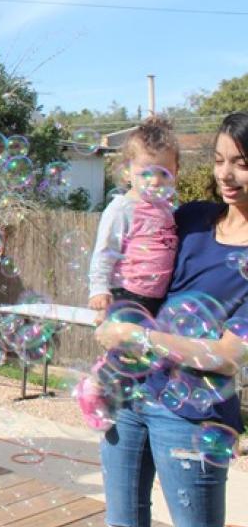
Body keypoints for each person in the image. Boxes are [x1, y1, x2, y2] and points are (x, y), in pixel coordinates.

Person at [95, 112, 248, 527]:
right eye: (219, 160)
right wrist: (109, 302)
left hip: (192, 412)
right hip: (129, 389)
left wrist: (134, 334)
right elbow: (137, 265)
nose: (227, 175)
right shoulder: (193, 217)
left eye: (242, 163)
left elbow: (226, 356)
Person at [79, 117, 181, 429]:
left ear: (175, 173)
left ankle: (123, 396)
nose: (154, 181)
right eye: (145, 173)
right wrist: (99, 289)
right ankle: (94, 386)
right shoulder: (122, 208)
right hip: (128, 292)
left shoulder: (168, 210)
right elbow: (105, 250)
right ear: (128, 172)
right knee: (123, 351)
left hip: (157, 297)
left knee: (143, 355)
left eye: (163, 174)